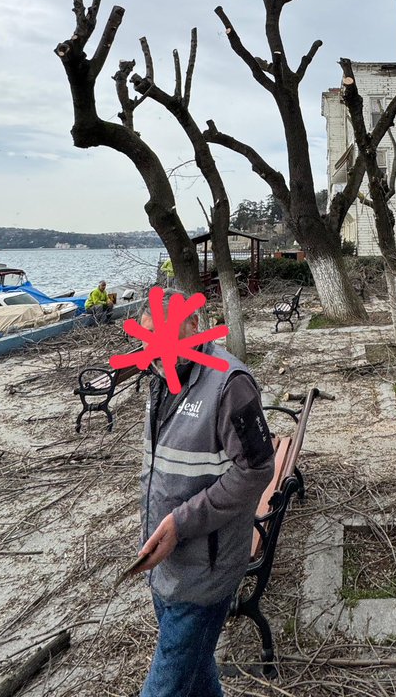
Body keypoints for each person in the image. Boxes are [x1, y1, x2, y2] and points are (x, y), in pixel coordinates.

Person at [134, 290, 275, 697]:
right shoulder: (161, 378)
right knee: (195, 675)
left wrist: (181, 522)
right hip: (167, 566)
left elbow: (257, 468)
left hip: (206, 573)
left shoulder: (231, 384)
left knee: (166, 686)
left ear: (195, 326)